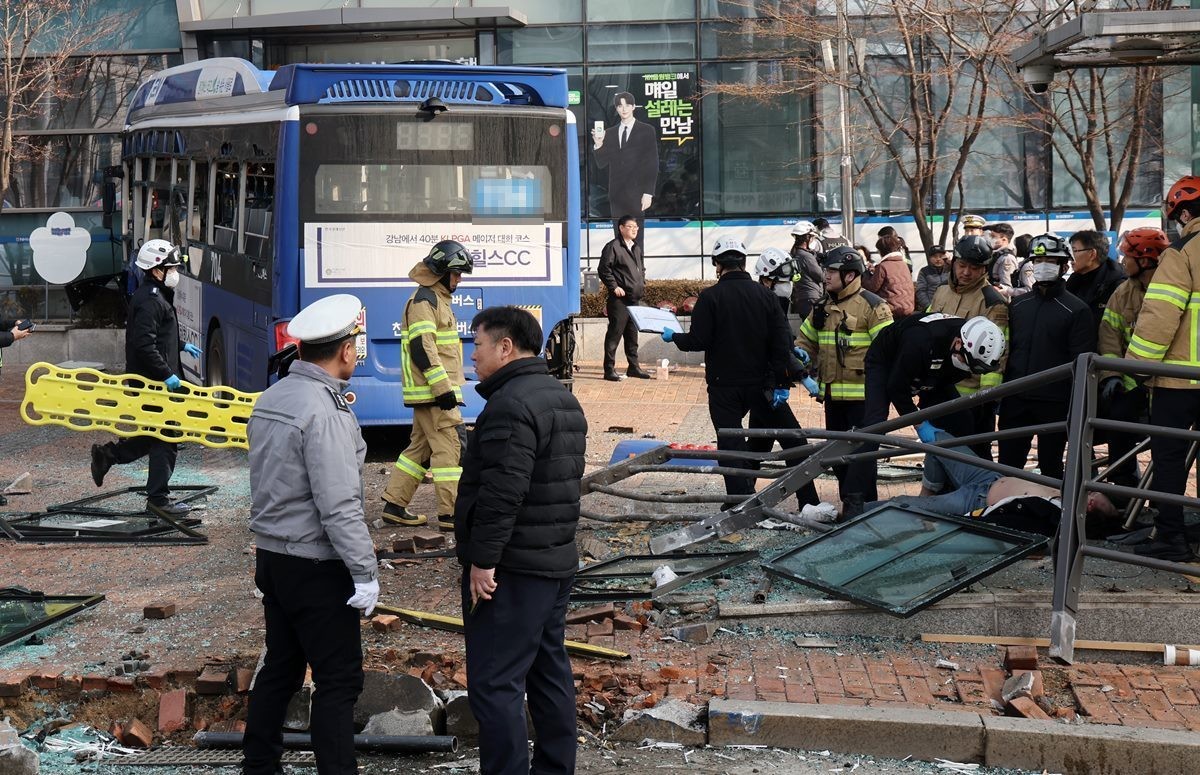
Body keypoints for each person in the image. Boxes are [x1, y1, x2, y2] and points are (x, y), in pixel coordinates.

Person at [242, 293, 379, 775]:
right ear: (345, 350)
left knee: (280, 668)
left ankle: (259, 766)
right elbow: (339, 505)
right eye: (356, 345)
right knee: (339, 682)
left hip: (274, 559)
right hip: (318, 566)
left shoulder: (273, 397)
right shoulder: (325, 411)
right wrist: (365, 572)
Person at [455, 306, 586, 775]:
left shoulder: (511, 405)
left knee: (495, 683)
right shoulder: (560, 397)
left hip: (513, 569)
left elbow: (503, 492)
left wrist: (482, 561)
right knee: (549, 673)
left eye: (478, 345)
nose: (473, 356)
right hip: (553, 563)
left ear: (505, 347)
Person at [662, 237, 795, 500]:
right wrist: (781, 382)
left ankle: (738, 500)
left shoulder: (710, 297)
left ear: (716, 264)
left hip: (724, 385)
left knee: (730, 443)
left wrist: (673, 336)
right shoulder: (766, 296)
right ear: (744, 262)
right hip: (761, 385)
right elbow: (781, 343)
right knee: (793, 440)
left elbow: (697, 341)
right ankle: (808, 500)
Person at [90, 239, 200, 516]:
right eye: (171, 267)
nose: (175, 271)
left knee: (156, 434)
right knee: (166, 436)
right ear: (155, 269)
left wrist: (180, 345)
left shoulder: (155, 294)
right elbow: (144, 345)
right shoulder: (151, 299)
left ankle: (109, 455)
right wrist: (167, 375)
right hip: (152, 383)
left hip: (153, 381)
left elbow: (156, 336)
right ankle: (158, 500)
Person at [1126, 175, 1200, 561]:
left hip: (1178, 381)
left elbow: (1159, 317)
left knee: (1169, 461)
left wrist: (1136, 368)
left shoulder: (1182, 252)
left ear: (1184, 213)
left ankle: (1171, 537)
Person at [381, 240, 472, 529]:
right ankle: (451, 514)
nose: (458, 280)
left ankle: (395, 505)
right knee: (450, 447)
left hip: (431, 393)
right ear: (442, 272)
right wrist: (442, 388)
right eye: (456, 274)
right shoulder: (424, 301)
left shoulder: (435, 298)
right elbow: (422, 347)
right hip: (435, 394)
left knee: (418, 450)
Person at [796, 246, 893, 513]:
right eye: (825, 271)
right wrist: (801, 354)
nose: (826, 276)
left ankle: (860, 510)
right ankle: (854, 509)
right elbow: (806, 339)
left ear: (850, 275)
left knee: (862, 461)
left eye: (831, 271)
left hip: (866, 402)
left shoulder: (874, 307)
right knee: (838, 460)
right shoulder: (822, 306)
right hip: (833, 399)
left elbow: (889, 352)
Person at [870, 429, 1117, 533]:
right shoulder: (1068, 492)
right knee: (937, 437)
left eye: (1094, 497)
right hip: (988, 476)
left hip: (975, 501)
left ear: (1091, 506)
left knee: (900, 503)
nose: (1091, 492)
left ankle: (854, 512)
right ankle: (928, 497)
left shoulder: (1059, 513)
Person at [997, 234, 1096, 481]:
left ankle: (1053, 516)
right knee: (1008, 466)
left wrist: (1076, 406)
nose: (1043, 265)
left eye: (1050, 260)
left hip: (1054, 403)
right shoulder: (1018, 305)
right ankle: (1004, 516)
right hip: (1015, 399)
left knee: (1051, 467)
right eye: (1037, 260)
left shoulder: (1077, 309)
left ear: (1064, 266)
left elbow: (1081, 363)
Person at [1096, 227, 1170, 496]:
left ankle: (1164, 504)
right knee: (1119, 434)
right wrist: (1112, 376)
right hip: (1130, 384)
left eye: (1127, 256)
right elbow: (1109, 335)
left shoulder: (1173, 287)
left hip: (1169, 385)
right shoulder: (1123, 292)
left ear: (1146, 260)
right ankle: (1124, 495)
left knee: (1169, 452)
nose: (1122, 262)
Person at [862, 313, 1006, 444]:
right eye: (966, 361)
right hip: (886, 360)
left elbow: (942, 382)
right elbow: (896, 388)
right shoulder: (920, 340)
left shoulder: (963, 348)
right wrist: (919, 423)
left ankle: (948, 467)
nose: (967, 368)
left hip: (935, 363)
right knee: (875, 423)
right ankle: (859, 465)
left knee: (962, 420)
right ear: (958, 343)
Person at [928, 235, 1010, 459]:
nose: (966, 272)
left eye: (974, 268)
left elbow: (998, 353)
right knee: (939, 454)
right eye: (962, 265)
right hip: (938, 389)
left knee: (974, 456)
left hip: (971, 397)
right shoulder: (941, 292)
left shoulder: (992, 301)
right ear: (953, 262)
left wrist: (986, 397)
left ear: (984, 269)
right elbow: (926, 333)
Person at [593, 91, 658, 250]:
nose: (624, 109)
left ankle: (638, 272)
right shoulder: (610, 133)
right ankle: (621, 272)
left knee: (637, 236)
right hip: (616, 194)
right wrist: (598, 144)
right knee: (619, 237)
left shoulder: (646, 130)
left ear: (633, 107)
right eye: (620, 106)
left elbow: (652, 162)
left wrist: (649, 192)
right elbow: (601, 163)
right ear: (616, 108)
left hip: (638, 193)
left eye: (627, 105)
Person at [598, 215, 650, 381]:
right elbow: (604, 269)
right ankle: (609, 370)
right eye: (630, 226)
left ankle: (633, 368)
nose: (634, 230)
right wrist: (614, 287)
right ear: (621, 228)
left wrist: (642, 280)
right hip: (619, 300)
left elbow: (641, 268)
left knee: (632, 336)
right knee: (614, 334)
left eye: (636, 227)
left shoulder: (636, 247)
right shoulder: (613, 246)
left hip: (634, 300)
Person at [1067, 229, 1126, 334]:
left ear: (1092, 254)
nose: (1070, 257)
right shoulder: (1073, 281)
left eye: (1074, 251)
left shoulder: (1118, 285)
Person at [862, 232, 915, 318]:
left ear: (881, 251)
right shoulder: (903, 264)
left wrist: (864, 275)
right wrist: (876, 271)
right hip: (908, 309)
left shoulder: (883, 266)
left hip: (891, 311)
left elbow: (871, 288)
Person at [787, 220, 826, 319]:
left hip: (802, 299)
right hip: (811, 299)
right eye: (813, 237)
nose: (814, 240)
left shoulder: (796, 253)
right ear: (807, 238)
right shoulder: (806, 256)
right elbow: (821, 276)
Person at [754, 246, 796, 316]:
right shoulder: (757, 309)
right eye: (782, 282)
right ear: (765, 281)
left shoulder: (781, 306)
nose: (788, 287)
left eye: (789, 282)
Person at [985, 222, 1022, 298]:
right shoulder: (997, 255)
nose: (990, 239)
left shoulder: (1007, 258)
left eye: (993, 237)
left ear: (1004, 239)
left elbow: (1006, 287)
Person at [915, 244, 950, 311]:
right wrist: (928, 306)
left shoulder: (950, 270)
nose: (938, 259)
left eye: (940, 256)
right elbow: (921, 291)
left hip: (948, 307)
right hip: (931, 307)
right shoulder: (924, 271)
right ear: (930, 258)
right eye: (934, 256)